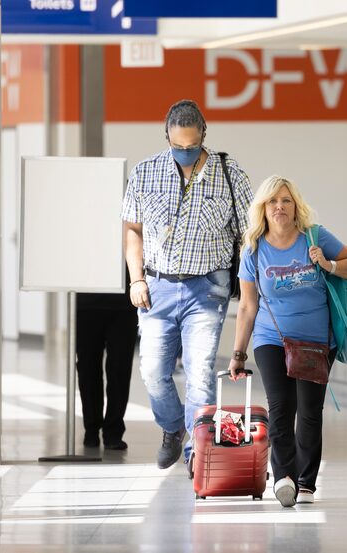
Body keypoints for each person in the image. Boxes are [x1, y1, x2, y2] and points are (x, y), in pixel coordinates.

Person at [121, 99, 253, 469]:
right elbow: (132, 228)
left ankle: (199, 453)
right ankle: (173, 426)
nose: (185, 152)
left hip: (206, 289)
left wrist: (248, 284)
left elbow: (248, 234)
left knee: (199, 372)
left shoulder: (231, 176)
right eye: (177, 146)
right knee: (152, 372)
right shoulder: (145, 173)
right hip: (157, 287)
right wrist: (136, 279)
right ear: (167, 136)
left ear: (204, 135)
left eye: (191, 146)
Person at [228, 175, 347, 507]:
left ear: (295, 205)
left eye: (285, 200)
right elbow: (247, 306)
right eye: (272, 201)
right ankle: (283, 476)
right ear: (263, 207)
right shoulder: (254, 249)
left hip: (317, 340)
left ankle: (306, 481)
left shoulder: (316, 237)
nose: (279, 207)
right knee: (280, 404)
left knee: (309, 410)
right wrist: (238, 352)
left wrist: (328, 264)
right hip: (271, 337)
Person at [75, 270, 138, 450]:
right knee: (87, 369)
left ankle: (113, 431)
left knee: (120, 369)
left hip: (124, 304)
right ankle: (91, 428)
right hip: (85, 303)